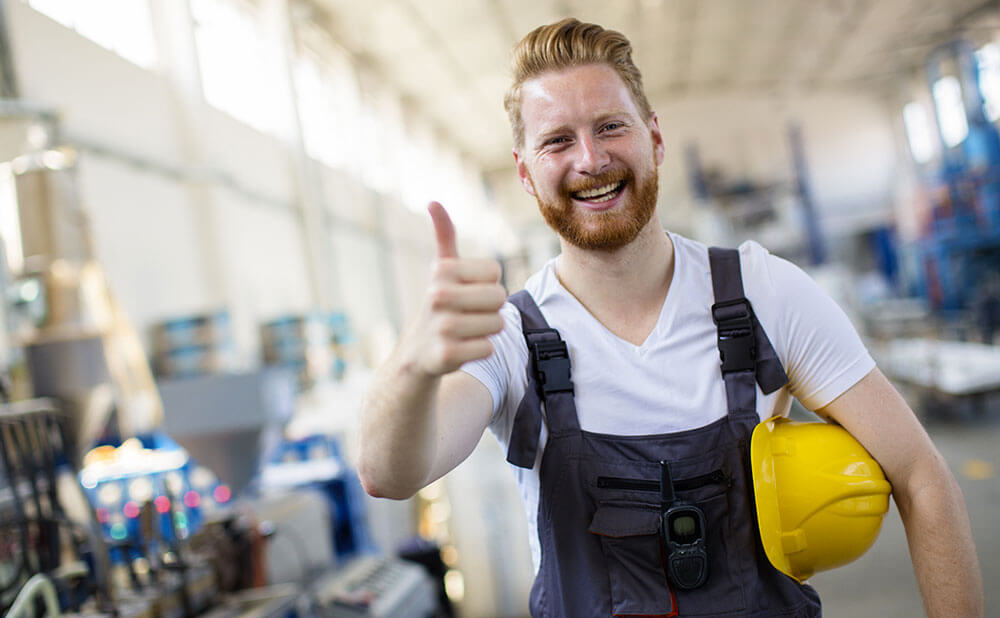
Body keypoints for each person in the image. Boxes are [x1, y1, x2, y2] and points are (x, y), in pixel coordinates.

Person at [358, 18, 984, 617]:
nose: (591, 159)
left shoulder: (763, 293)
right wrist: (413, 364)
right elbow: (389, 474)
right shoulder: (510, 338)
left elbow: (921, 474)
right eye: (557, 140)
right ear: (525, 172)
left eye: (610, 127)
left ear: (654, 138)